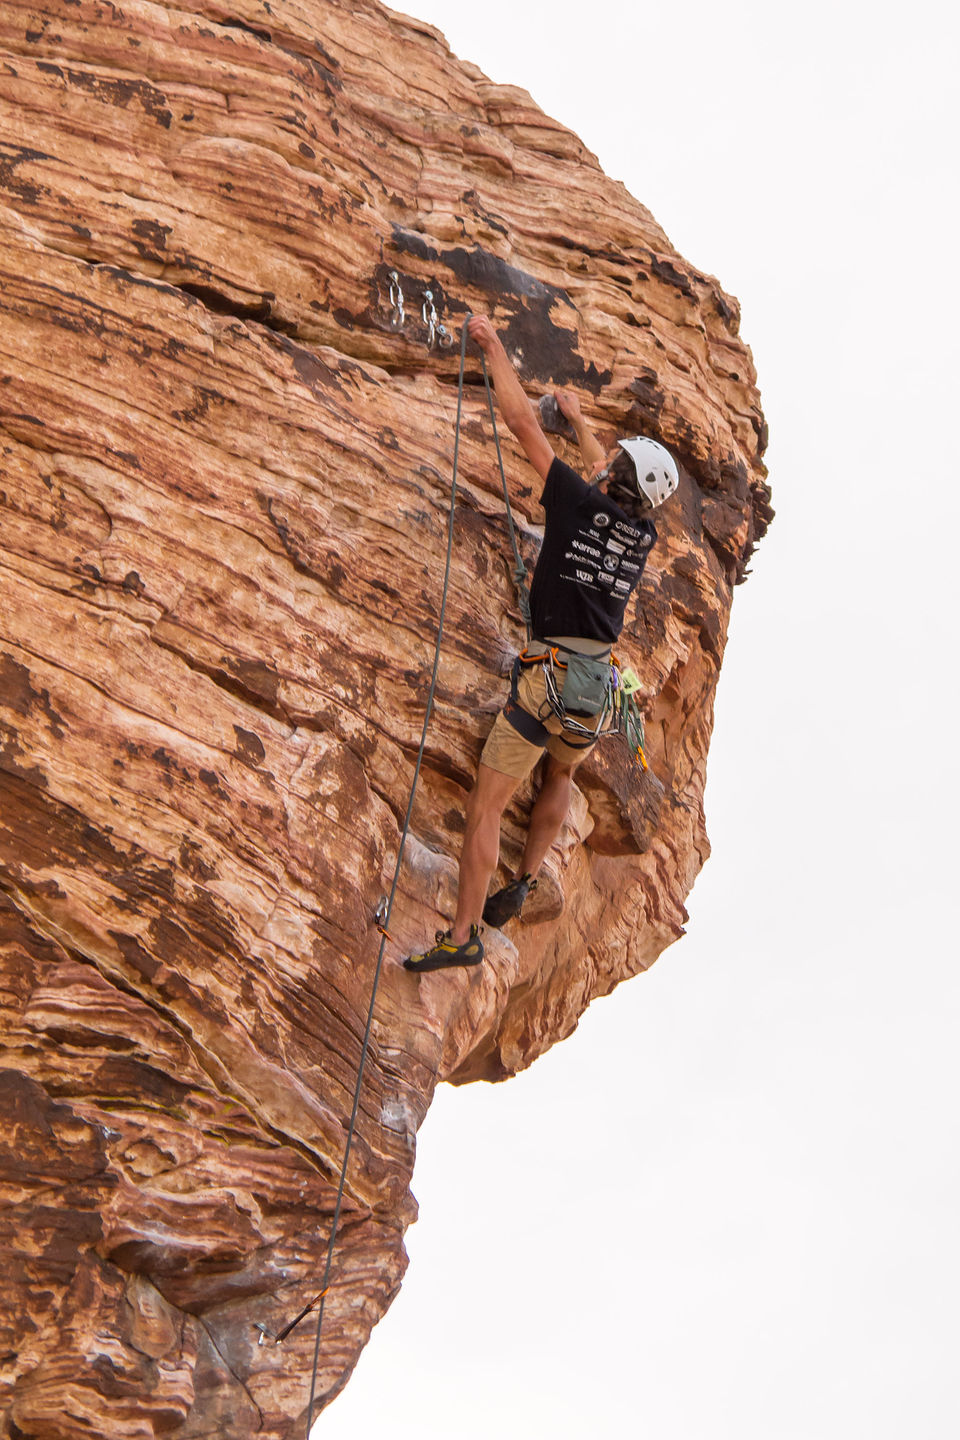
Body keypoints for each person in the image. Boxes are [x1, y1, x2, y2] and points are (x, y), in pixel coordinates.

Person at [404, 314, 679, 973]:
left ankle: (464, 933)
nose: (605, 459)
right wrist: (581, 418)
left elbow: (523, 427)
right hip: (595, 689)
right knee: (561, 771)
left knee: (486, 807)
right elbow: (605, 465)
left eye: (615, 463)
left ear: (616, 482)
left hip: (546, 680)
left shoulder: (578, 501)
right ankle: (524, 881)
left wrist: (495, 347)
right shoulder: (638, 536)